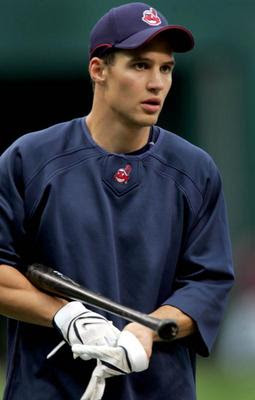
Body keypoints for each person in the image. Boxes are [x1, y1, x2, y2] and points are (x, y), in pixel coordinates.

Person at [0, 2, 234, 400]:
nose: (157, 83)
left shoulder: (196, 170)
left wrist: (146, 328)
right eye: (140, 65)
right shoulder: (29, 159)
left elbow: (208, 284)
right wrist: (65, 315)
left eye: (166, 68)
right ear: (99, 70)